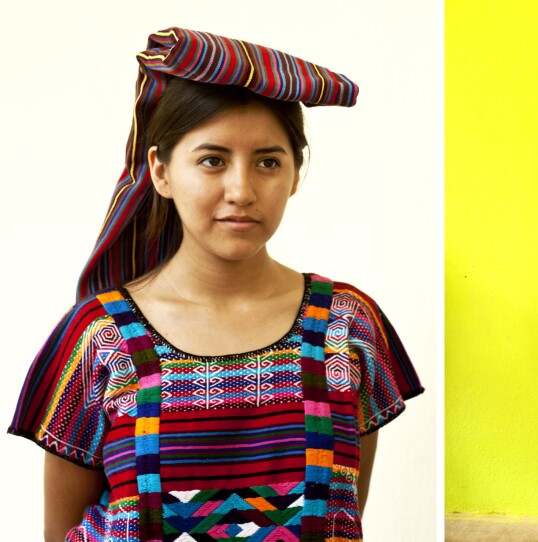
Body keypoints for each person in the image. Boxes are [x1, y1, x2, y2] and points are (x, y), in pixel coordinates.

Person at [8, 27, 423, 542]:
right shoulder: (98, 336)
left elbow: (342, 514)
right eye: (212, 160)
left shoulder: (346, 325)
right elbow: (60, 531)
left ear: (297, 174)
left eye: (268, 162)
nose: (241, 190)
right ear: (160, 171)